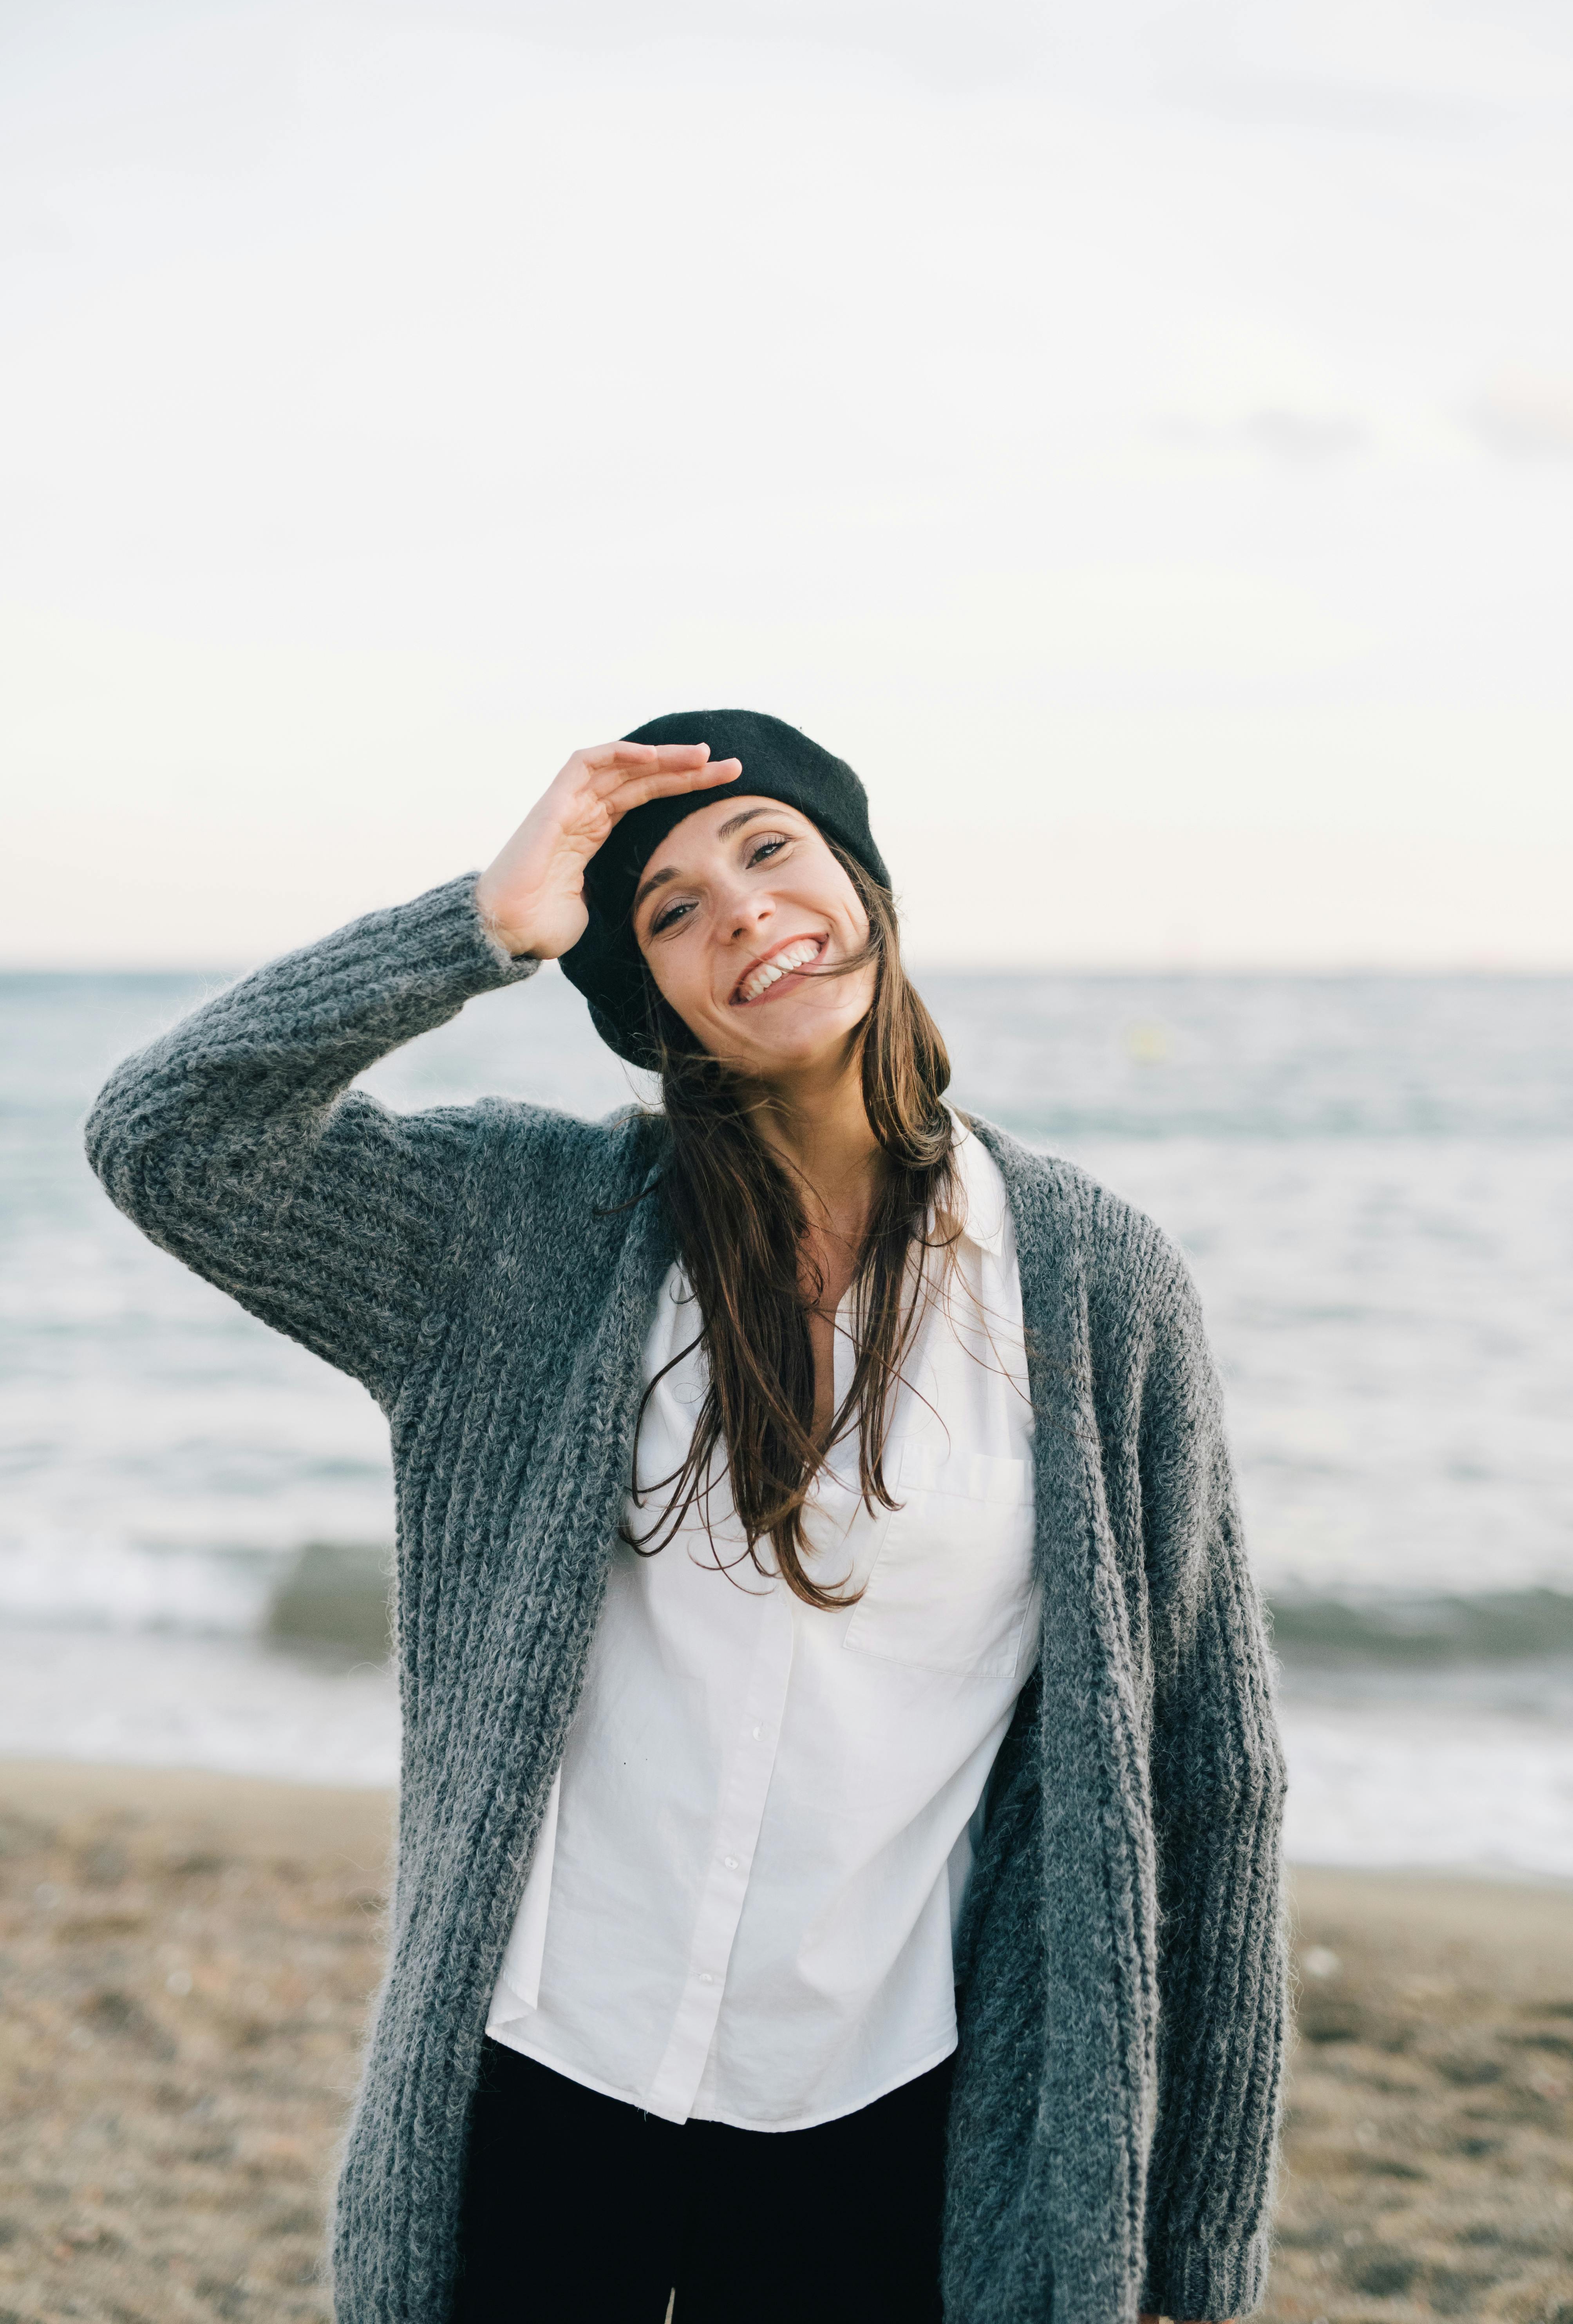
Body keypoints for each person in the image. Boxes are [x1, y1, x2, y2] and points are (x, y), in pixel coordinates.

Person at [86, 710, 1287, 2324]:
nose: (738, 911)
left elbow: (1205, 1768)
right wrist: (476, 929)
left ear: (860, 879)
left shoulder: (1095, 1283)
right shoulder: (528, 1237)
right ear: (648, 1001)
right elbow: (169, 1139)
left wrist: (1190, 2263)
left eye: (769, 847)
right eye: (666, 908)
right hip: (543, 2062)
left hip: (878, 2094)